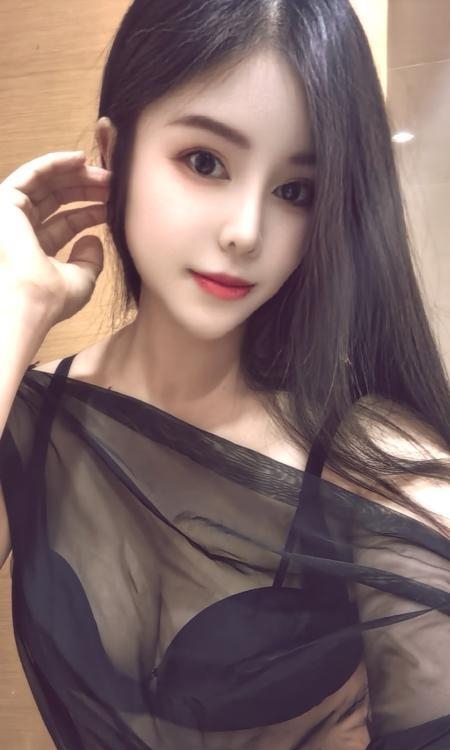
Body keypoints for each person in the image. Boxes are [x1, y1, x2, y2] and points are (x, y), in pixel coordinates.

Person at [0, 0, 449, 748]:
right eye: (205, 162)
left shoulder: (380, 477)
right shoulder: (31, 414)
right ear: (112, 153)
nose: (246, 231)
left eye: (295, 191)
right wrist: (12, 313)